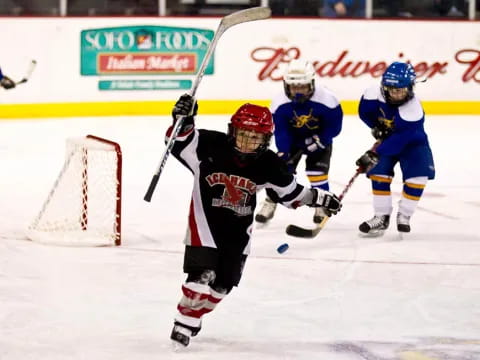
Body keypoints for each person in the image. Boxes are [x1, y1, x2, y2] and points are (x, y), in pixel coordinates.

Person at [167, 94, 342, 347]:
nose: (248, 142)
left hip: (238, 236)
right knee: (200, 278)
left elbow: (292, 194)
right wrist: (183, 118)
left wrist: (320, 198)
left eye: (255, 138)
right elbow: (178, 141)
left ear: (265, 139)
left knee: (221, 288)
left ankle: (195, 313)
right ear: (232, 131)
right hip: (203, 229)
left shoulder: (269, 164)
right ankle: (184, 322)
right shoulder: (209, 146)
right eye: (243, 135)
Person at [255, 59, 343, 225]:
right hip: (293, 140)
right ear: (286, 85)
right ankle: (270, 201)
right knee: (279, 171)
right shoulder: (279, 103)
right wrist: (284, 151)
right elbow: (281, 130)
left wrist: (320, 141)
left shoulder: (328, 99)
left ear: (311, 83)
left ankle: (321, 204)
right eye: (294, 87)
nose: (298, 92)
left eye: (302, 86)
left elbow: (334, 127)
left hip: (319, 139)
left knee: (317, 173)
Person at [355, 61, 435, 236]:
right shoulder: (372, 94)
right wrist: (376, 126)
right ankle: (381, 217)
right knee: (378, 173)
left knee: (418, 178)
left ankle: (404, 215)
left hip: (413, 143)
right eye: (392, 90)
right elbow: (364, 112)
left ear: (410, 88)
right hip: (389, 140)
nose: (397, 94)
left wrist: (374, 153)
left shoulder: (413, 109)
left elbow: (400, 140)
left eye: (401, 90)